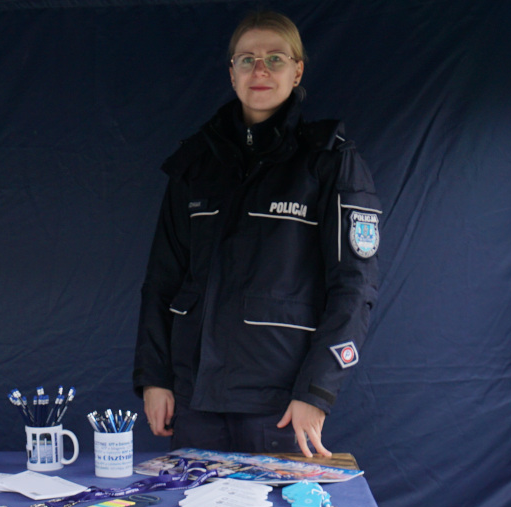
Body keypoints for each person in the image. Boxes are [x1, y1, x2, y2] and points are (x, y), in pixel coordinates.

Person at [133, 10, 381, 458]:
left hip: (281, 405)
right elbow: (161, 282)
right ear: (232, 73)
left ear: (297, 69)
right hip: (196, 400)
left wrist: (317, 391)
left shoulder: (327, 162)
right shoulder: (195, 164)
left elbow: (354, 287)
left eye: (275, 58)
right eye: (246, 60)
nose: (260, 70)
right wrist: (156, 378)